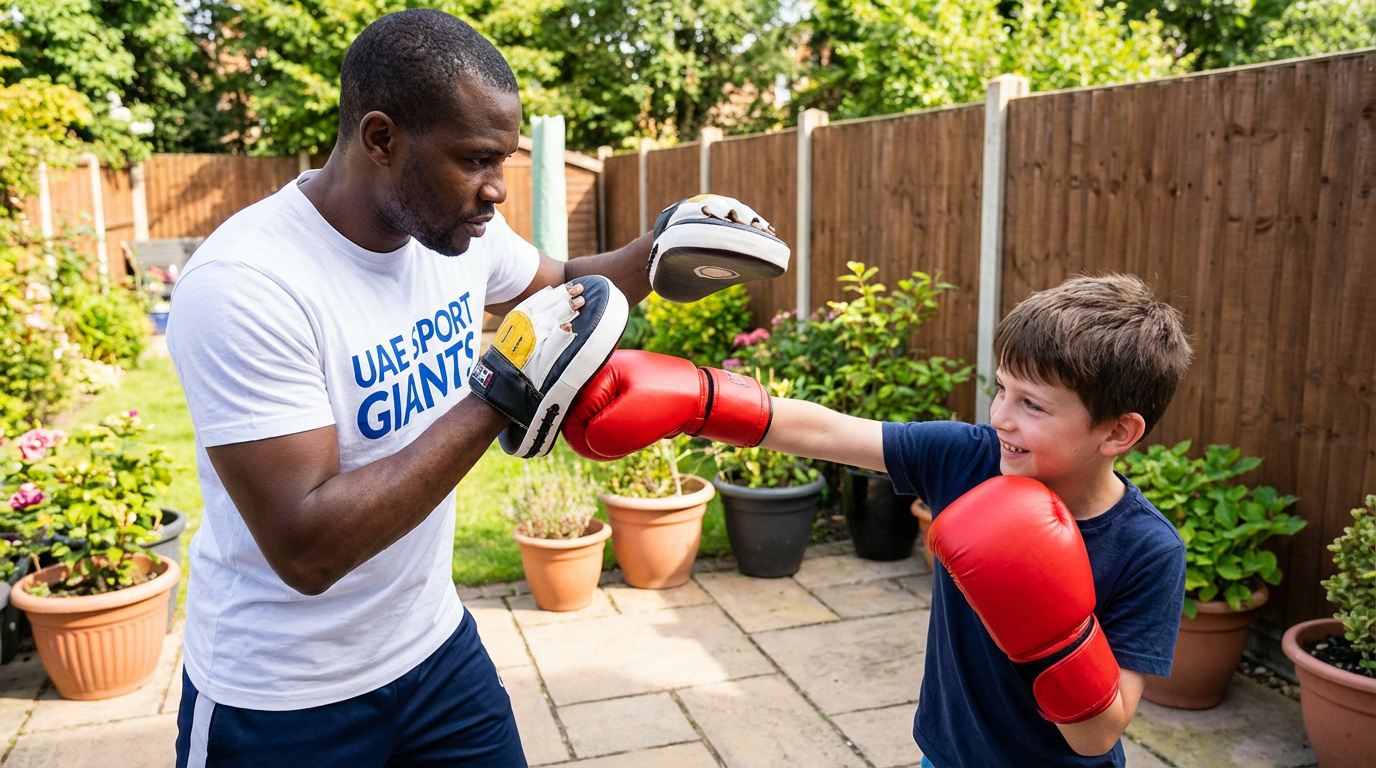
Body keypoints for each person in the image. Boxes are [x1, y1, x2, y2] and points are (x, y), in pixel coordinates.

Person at [166, 8, 784, 767]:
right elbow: (308, 548)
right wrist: (503, 394)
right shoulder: (248, 285)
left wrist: (660, 250)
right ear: (381, 138)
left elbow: (559, 286)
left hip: (432, 651)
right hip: (282, 699)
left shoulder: (452, 235)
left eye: (506, 161)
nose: (496, 190)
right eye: (477, 160)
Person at [563, 273, 1192, 767]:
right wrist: (703, 400)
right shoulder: (971, 456)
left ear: (1118, 431)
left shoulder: (1147, 549)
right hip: (944, 755)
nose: (1001, 416)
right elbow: (831, 431)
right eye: (1000, 389)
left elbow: (1097, 736)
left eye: (1032, 404)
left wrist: (1054, 632)